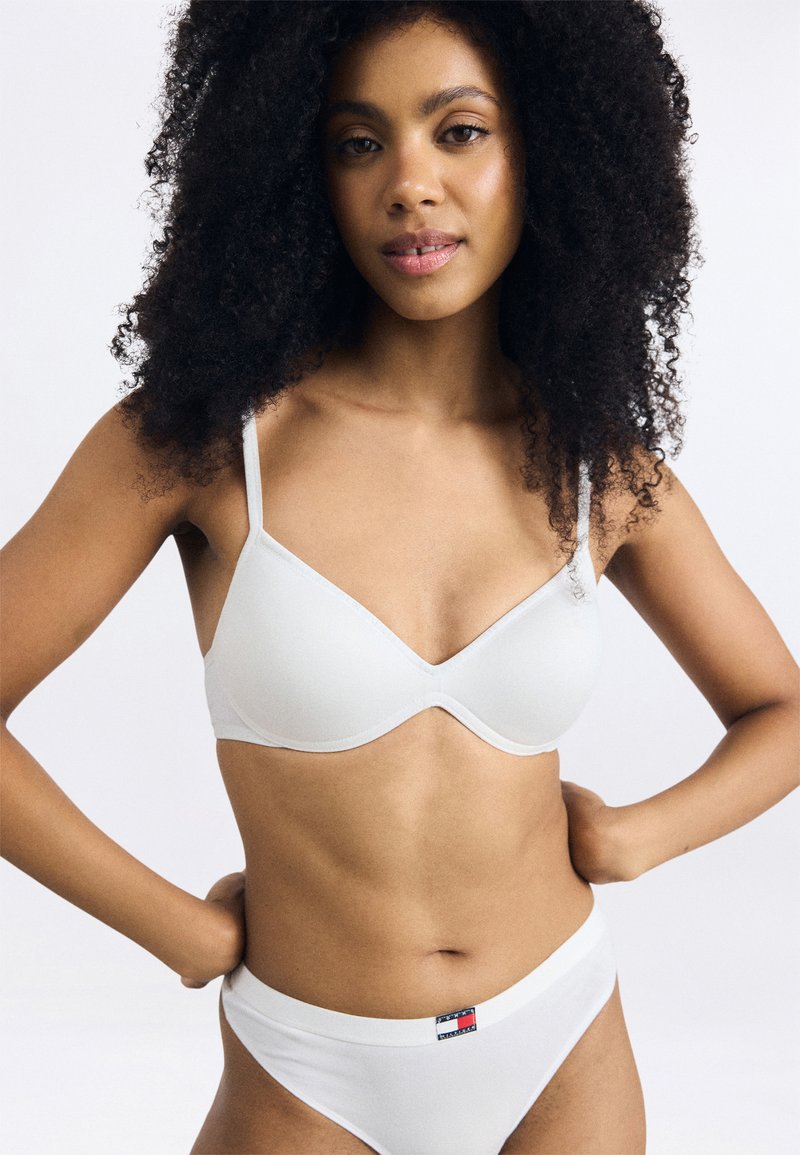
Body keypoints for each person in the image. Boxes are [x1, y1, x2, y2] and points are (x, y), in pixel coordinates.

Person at [1, 2, 797, 1153]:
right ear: (298, 172)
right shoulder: (207, 445)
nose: (408, 185)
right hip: (306, 1069)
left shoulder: (597, 469)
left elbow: (778, 709)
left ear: (547, 150)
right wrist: (171, 927)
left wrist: (638, 836)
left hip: (559, 1039)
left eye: (458, 131)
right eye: (357, 142)